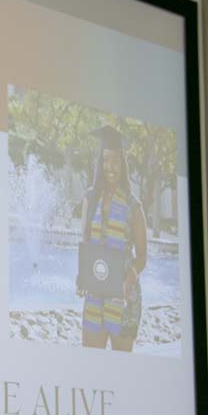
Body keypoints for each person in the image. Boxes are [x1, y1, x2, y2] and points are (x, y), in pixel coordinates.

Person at [77, 124, 148, 351]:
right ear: (100, 162)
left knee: (121, 370)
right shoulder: (90, 198)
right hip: (95, 294)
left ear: (123, 164)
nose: (111, 166)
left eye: (116, 160)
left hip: (124, 296)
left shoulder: (133, 206)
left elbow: (143, 256)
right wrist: (81, 277)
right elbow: (86, 245)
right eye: (106, 159)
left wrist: (129, 278)